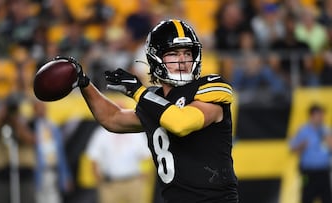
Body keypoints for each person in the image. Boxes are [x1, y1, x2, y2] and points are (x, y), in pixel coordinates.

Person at [56, 19, 238, 202]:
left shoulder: (211, 86)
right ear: (155, 58)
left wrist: (138, 91)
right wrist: (85, 83)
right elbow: (112, 118)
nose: (182, 60)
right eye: (173, 54)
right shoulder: (153, 100)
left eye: (187, 52)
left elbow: (182, 123)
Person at [0, 93, 36, 203]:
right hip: (1, 174)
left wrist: (15, 120)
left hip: (24, 173)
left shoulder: (26, 118)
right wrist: (0, 117)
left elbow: (31, 140)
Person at [85, 124, 151, 203]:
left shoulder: (135, 132)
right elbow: (94, 157)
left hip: (133, 181)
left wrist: (144, 176)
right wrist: (99, 180)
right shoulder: (101, 133)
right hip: (110, 183)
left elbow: (146, 155)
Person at [30, 99, 72, 203]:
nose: (42, 110)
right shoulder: (31, 126)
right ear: (34, 110)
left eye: (43, 107)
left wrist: (66, 175)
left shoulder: (53, 127)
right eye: (39, 108)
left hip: (53, 171)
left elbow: (60, 153)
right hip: (38, 172)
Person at [290, 104, 332, 203]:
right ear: (312, 115)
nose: (322, 117)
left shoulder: (327, 130)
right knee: (306, 196)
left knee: (327, 198)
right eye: (319, 115)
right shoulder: (303, 130)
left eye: (322, 115)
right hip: (307, 172)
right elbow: (293, 150)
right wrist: (301, 145)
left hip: (323, 171)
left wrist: (329, 141)